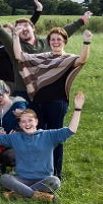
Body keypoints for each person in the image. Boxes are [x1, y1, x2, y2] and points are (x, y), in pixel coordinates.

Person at [13, 24, 92, 179]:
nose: (56, 42)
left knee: (55, 139)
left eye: (59, 39)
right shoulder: (43, 57)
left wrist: (86, 42)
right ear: (49, 42)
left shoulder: (68, 59)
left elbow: (82, 60)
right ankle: (38, 172)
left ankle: (55, 174)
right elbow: (19, 56)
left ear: (64, 41)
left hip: (57, 103)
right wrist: (15, 36)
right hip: (37, 103)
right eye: (53, 39)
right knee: (36, 138)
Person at [0, 92, 85, 202]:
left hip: (44, 179)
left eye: (30, 120)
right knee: (5, 178)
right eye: (23, 122)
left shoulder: (49, 135)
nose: (27, 124)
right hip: (22, 179)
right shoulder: (15, 137)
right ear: (20, 125)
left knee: (55, 181)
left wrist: (78, 109)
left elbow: (70, 130)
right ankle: (37, 194)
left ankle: (20, 193)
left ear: (36, 121)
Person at [0, 10, 89, 100]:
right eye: (19, 27)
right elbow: (5, 36)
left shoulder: (46, 43)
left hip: (44, 91)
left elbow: (65, 31)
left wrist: (82, 20)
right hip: (22, 92)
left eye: (25, 26)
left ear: (33, 28)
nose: (23, 29)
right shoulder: (15, 46)